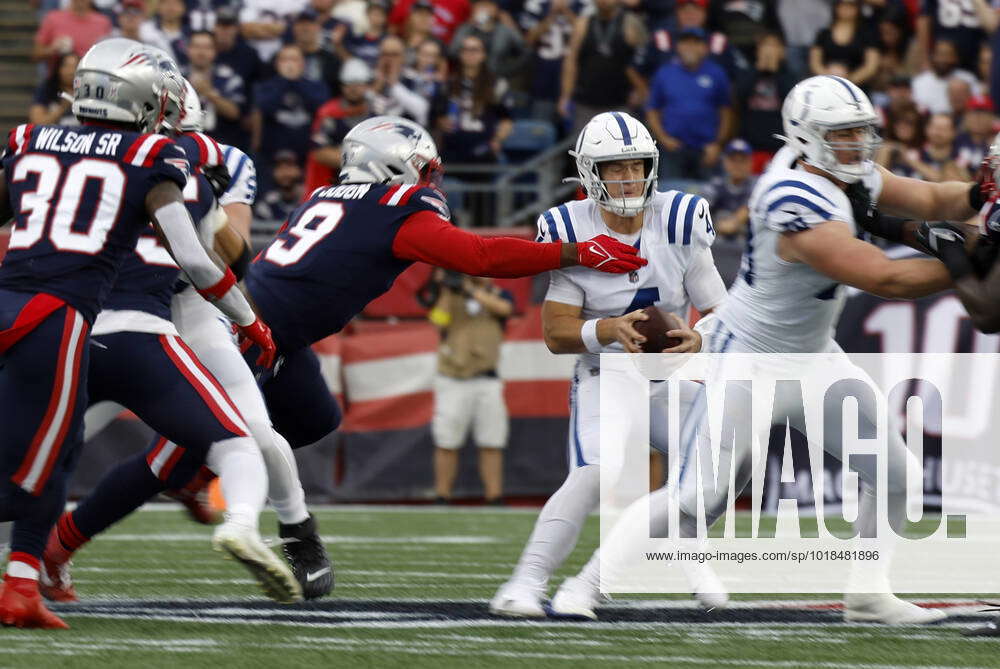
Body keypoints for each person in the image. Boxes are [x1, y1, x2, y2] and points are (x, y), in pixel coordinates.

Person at [588, 75, 989, 624]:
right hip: (750, 358)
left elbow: (929, 196)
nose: (857, 143)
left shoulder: (844, 171)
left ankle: (868, 593)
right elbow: (883, 278)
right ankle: (587, 586)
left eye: (860, 131)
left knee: (898, 475)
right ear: (805, 137)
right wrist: (973, 257)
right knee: (697, 496)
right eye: (842, 133)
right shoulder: (790, 196)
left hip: (814, 356)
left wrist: (981, 195)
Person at [0, 38, 275, 629]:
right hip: (67, 321)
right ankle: (26, 577)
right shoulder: (157, 158)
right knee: (38, 465)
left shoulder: (29, 138)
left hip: (14, 305)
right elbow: (206, 262)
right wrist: (251, 321)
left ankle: (25, 580)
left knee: (46, 455)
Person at [41, 81, 331, 605]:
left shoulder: (201, 156)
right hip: (134, 306)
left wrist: (203, 205)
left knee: (49, 452)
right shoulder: (136, 152)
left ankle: (299, 534)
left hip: (162, 306)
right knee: (241, 435)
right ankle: (46, 557)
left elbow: (231, 257)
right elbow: (232, 261)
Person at [242, 115, 648, 455]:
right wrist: (575, 252)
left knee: (314, 418)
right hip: (255, 330)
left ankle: (251, 490)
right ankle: (219, 483)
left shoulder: (320, 197)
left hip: (269, 325)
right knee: (220, 433)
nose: (429, 182)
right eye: (425, 171)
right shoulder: (395, 209)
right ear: (392, 166)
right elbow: (480, 256)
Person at [489, 111, 726, 619]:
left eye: (636, 165)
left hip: (672, 372)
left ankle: (691, 555)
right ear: (589, 173)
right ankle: (524, 583)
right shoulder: (567, 228)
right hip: (608, 372)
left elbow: (719, 312)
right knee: (598, 471)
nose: (628, 177)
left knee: (716, 468)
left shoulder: (681, 219)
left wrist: (699, 338)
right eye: (614, 167)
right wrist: (609, 329)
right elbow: (555, 333)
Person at [425, 272, 513, 504]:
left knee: (492, 440)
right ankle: (442, 495)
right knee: (447, 441)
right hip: (453, 377)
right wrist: (446, 289)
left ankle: (494, 496)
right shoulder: (450, 296)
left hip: (487, 378)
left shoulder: (497, 293)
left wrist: (472, 289)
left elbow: (504, 309)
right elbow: (437, 321)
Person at [645, 26, 733, 181]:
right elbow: (652, 110)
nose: (690, 47)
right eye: (686, 43)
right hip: (673, 149)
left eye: (696, 43)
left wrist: (718, 144)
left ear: (705, 48)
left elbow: (726, 112)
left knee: (709, 198)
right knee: (671, 196)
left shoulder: (717, 73)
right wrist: (663, 138)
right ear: (678, 47)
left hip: (706, 149)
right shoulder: (665, 73)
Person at [558, 0, 646, 134]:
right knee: (586, 151)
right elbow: (571, 62)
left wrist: (640, 90)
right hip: (586, 102)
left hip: (620, 103)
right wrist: (565, 95)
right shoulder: (583, 24)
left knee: (620, 150)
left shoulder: (630, 24)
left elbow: (641, 62)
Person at [252, 44, 330, 172]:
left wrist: (296, 81)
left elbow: (320, 108)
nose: (289, 64)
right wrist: (284, 81)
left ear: (303, 64)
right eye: (284, 60)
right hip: (272, 159)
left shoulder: (317, 86)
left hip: (307, 157)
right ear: (277, 64)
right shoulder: (265, 87)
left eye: (294, 60)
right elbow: (265, 107)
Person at [304, 58, 376, 194]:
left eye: (358, 84)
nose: (353, 88)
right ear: (342, 86)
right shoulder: (329, 113)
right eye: (348, 84)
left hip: (370, 185)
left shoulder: (377, 113)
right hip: (334, 186)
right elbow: (319, 153)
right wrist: (364, 161)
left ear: (367, 85)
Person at [184, 30, 248, 150]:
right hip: (184, 143)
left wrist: (209, 93)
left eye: (207, 47)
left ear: (215, 51)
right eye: (196, 46)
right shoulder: (176, 76)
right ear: (188, 49)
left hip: (221, 143)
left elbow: (235, 113)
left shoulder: (229, 77)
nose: (201, 52)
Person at [809, 0, 880, 88]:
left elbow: (871, 66)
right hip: (825, 85)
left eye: (851, 5)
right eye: (842, 4)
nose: (846, 8)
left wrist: (847, 82)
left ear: (858, 8)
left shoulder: (867, 34)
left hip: (856, 87)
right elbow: (815, 62)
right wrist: (829, 79)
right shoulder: (823, 34)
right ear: (836, 7)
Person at [450, 0, 528, 80]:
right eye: (480, 6)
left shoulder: (504, 30)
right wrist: (470, 25)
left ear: (496, 9)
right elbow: (453, 51)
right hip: (465, 76)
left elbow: (523, 47)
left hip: (495, 78)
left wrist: (506, 71)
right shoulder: (467, 28)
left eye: (487, 6)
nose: (483, 9)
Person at [702, 139, 755, 240]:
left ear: (750, 163)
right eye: (733, 160)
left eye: (742, 160)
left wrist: (734, 222)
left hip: (746, 243)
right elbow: (701, 209)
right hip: (716, 242)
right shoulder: (715, 184)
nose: (738, 165)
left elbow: (748, 208)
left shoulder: (757, 185)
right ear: (725, 162)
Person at [912, 39, 980, 115]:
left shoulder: (968, 78)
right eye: (940, 54)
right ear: (932, 56)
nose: (943, 59)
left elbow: (977, 106)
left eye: (948, 54)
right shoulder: (920, 81)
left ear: (956, 57)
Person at [33, 0, 111, 63]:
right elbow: (36, 54)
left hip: (92, 75)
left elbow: (109, 56)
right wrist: (52, 49)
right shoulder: (53, 18)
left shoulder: (103, 22)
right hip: (58, 76)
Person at [28, 52, 78, 126]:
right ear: (58, 69)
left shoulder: (88, 91)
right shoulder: (46, 89)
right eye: (66, 66)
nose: (71, 71)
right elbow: (37, 121)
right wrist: (62, 107)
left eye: (75, 67)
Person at [256, 149, 306, 222]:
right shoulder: (267, 203)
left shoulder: (309, 199)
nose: (285, 173)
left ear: (299, 170)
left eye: (289, 167)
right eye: (280, 168)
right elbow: (260, 231)